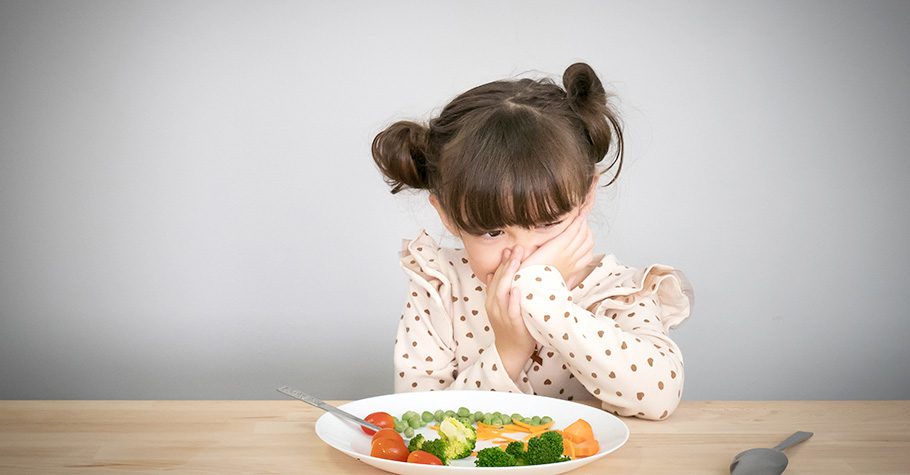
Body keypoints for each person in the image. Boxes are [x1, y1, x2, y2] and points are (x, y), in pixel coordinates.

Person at [371, 63, 693, 420]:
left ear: (586, 196)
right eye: (492, 232)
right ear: (446, 215)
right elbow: (422, 422)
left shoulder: (616, 292)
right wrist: (509, 351)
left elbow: (657, 397)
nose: (523, 255)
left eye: (548, 224)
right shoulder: (439, 286)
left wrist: (547, 303)